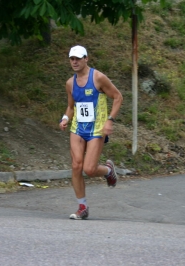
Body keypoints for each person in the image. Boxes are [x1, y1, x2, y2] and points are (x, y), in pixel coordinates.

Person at [59, 45, 123, 220]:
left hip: (96, 129)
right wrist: (65, 118)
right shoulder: (70, 83)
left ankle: (108, 170)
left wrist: (110, 119)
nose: (75, 62)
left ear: (86, 59)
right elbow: (71, 106)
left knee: (89, 169)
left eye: (78, 58)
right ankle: (83, 207)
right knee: (76, 165)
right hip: (78, 128)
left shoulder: (98, 78)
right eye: (72, 59)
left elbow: (118, 97)